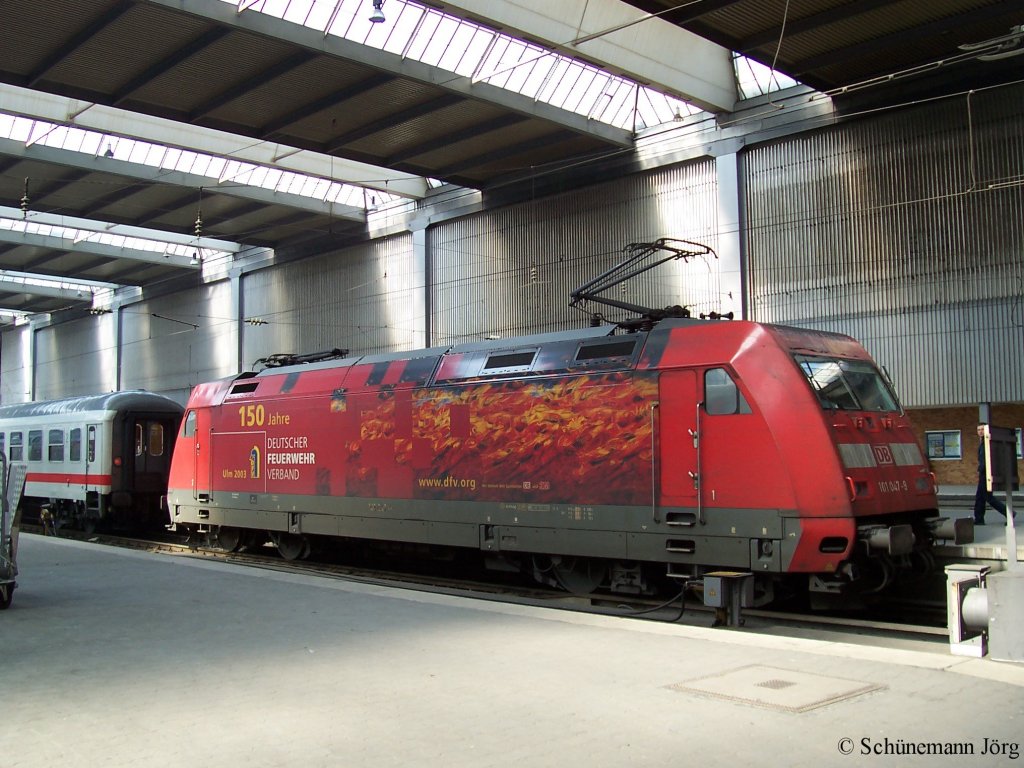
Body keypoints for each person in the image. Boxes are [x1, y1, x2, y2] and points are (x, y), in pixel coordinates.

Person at [974, 430, 1009, 525]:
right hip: (983, 474)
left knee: (988, 498)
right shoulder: (982, 443)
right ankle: (979, 519)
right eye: (978, 430)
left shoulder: (987, 443)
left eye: (982, 429)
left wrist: (981, 469)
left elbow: (986, 460)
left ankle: (1009, 514)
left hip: (986, 474)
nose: (980, 432)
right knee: (980, 498)